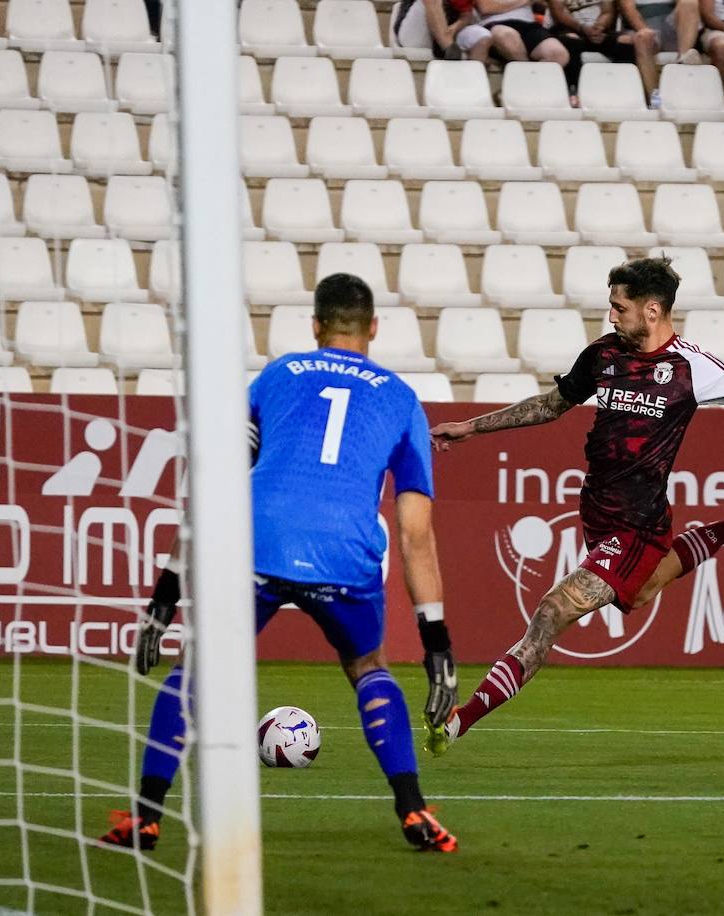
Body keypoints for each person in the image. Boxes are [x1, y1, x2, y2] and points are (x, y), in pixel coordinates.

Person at [423, 257, 724, 755]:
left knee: (551, 611)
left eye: (619, 308)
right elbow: (552, 405)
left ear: (653, 310)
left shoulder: (693, 367)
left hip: (639, 522)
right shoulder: (602, 354)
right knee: (639, 596)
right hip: (597, 511)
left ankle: (458, 721)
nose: (611, 316)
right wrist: (472, 427)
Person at [99, 274, 461, 854]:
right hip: (343, 552)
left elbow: (215, 485)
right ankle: (413, 810)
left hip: (257, 540)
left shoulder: (277, 376)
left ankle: (145, 816)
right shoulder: (401, 400)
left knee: (196, 668)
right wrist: (437, 642)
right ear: (373, 328)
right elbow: (415, 533)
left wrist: (164, 596)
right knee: (368, 665)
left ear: (316, 326)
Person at [551, 0, 660, 100]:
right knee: (572, 40)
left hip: (598, 30)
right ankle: (574, 92)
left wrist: (600, 26)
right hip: (569, 28)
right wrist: (582, 28)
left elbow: (607, 12)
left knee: (626, 42)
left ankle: (625, 92)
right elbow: (559, 12)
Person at [478, 0, 573, 67]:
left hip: (528, 24)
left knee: (558, 55)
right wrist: (524, 1)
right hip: (495, 23)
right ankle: (526, 75)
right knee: (506, 35)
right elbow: (486, 8)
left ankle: (530, 84)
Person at [393, 0, 495, 61]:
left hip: (449, 32)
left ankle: (472, 89)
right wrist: (446, 38)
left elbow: (467, 15)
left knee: (482, 37)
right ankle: (447, 47)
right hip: (415, 34)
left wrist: (454, 28)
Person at [619, 0, 706, 69]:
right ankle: (653, 91)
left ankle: (684, 57)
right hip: (645, 25)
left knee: (689, 2)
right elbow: (628, 9)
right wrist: (647, 31)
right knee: (644, 37)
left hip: (671, 26)